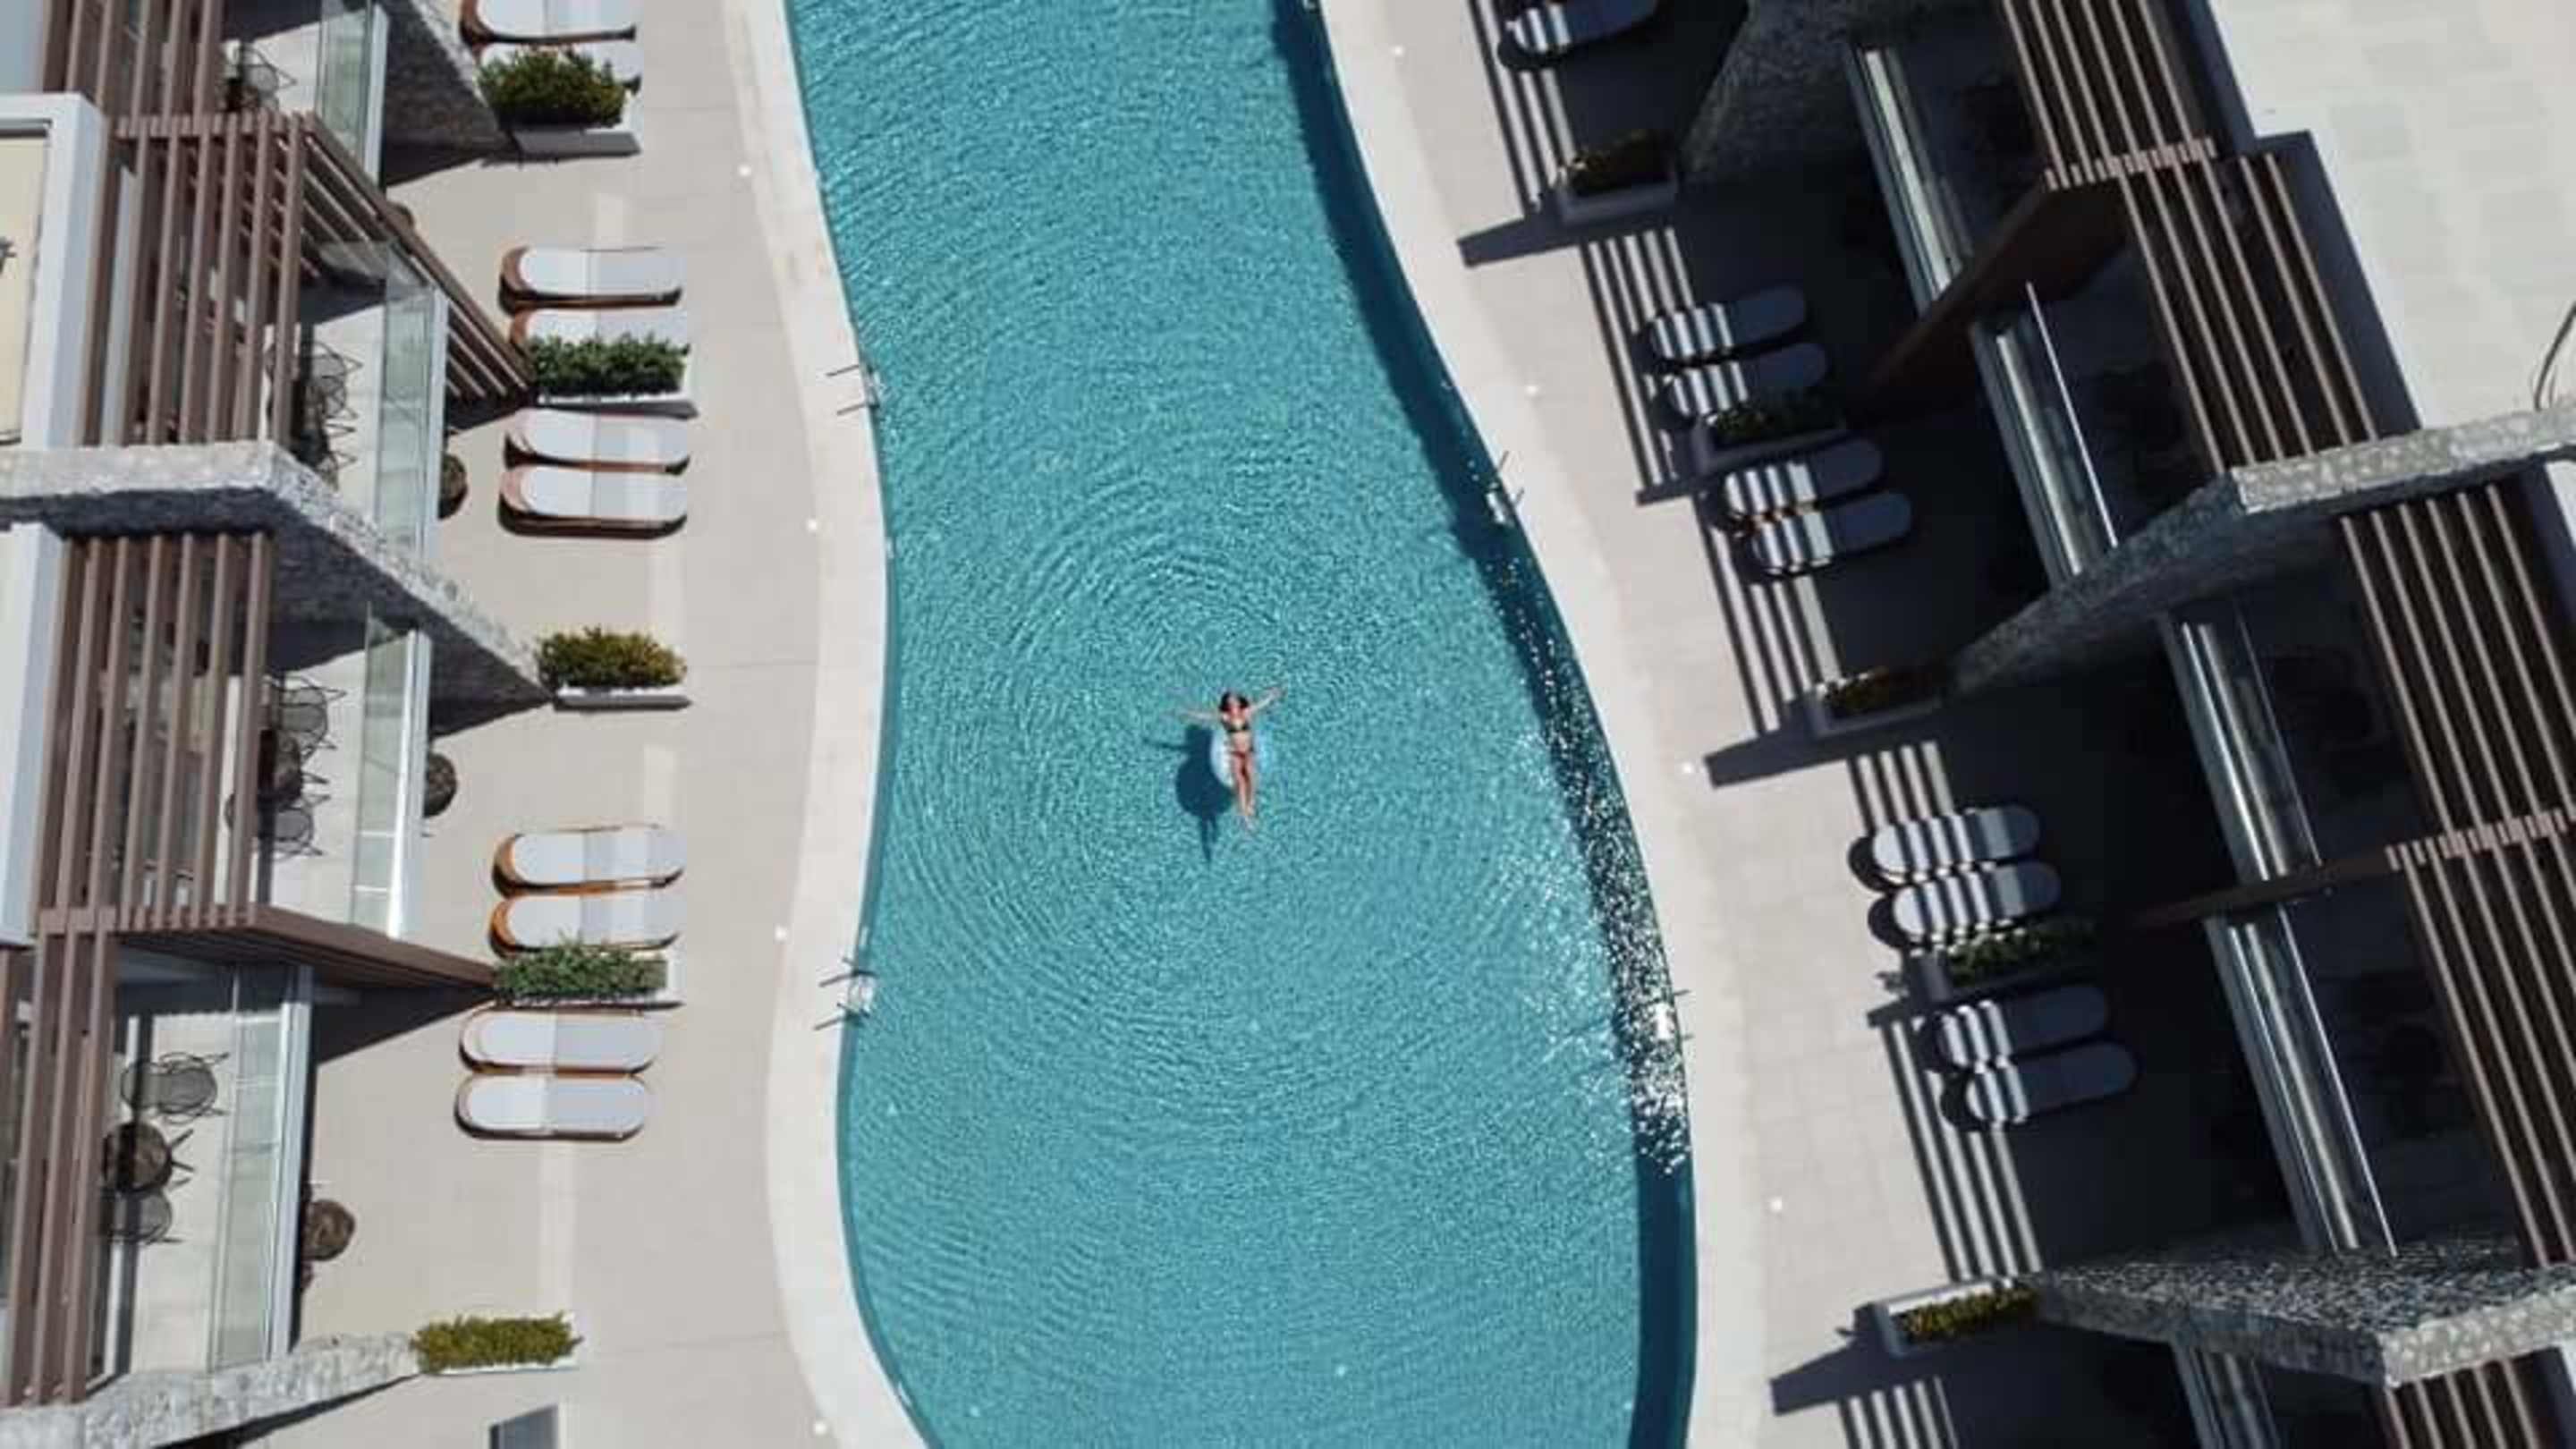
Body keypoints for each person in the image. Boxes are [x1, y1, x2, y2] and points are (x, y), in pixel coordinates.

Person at [1182, 687, 1281, 827]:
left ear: (1239, 703)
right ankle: (1244, 816)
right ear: (1227, 705)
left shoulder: (1246, 713)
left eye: (1234, 701)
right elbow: (1206, 717)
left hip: (1249, 751)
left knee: (1251, 777)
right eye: (1230, 702)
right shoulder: (1226, 717)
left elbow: (1260, 705)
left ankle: (1250, 803)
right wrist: (1189, 714)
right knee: (1240, 782)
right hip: (1234, 753)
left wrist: (1272, 696)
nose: (1233, 704)